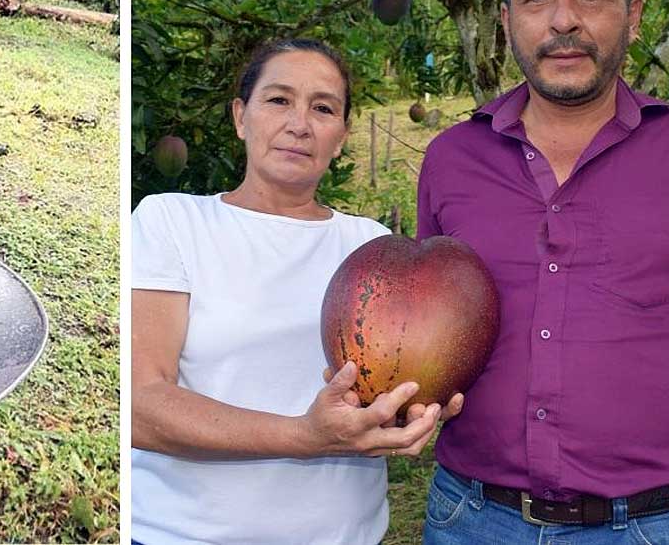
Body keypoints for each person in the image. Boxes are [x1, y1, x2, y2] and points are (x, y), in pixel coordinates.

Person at [417, 0, 669, 544]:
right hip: (469, 519)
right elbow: (425, 330)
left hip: (650, 527)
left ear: (633, 15)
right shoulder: (450, 159)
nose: (563, 20)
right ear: (505, 19)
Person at [132, 38, 460, 545]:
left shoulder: (371, 246)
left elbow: (392, 380)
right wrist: (303, 436)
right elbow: (139, 403)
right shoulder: (172, 221)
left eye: (323, 108)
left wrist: (416, 404)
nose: (299, 124)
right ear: (241, 116)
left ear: (343, 136)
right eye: (278, 100)